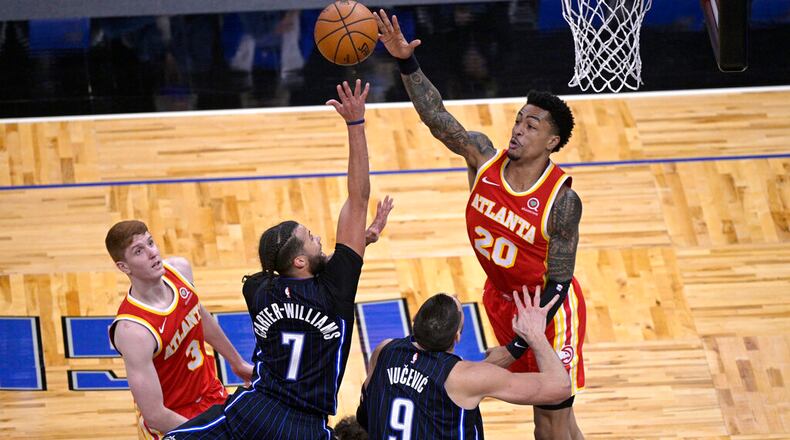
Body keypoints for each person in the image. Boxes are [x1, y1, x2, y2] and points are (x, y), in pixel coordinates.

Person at [375, 10, 587, 440]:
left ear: (551, 142)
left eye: (532, 125)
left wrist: (520, 343)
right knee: (559, 418)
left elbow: (560, 279)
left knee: (550, 418)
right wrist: (406, 62)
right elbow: (438, 118)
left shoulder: (562, 201)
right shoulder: (483, 158)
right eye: (518, 119)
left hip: (546, 311)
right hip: (500, 298)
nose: (519, 129)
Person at [165, 79, 384, 439]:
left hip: (253, 408)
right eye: (310, 238)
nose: (317, 237)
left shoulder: (257, 289)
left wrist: (360, 244)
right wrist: (355, 125)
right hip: (304, 425)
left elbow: (306, 269)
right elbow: (358, 198)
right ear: (299, 262)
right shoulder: (336, 289)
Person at [105, 220, 254, 439]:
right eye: (139, 251)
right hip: (172, 419)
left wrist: (237, 362)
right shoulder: (133, 331)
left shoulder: (179, 270)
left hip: (210, 394)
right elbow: (155, 414)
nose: (152, 253)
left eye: (150, 243)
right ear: (124, 267)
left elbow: (198, 314)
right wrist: (207, 433)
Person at [357, 288, 570, 439]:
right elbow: (560, 387)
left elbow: (365, 417)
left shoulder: (385, 350)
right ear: (457, 336)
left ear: (416, 321)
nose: (456, 295)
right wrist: (535, 335)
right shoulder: (466, 378)